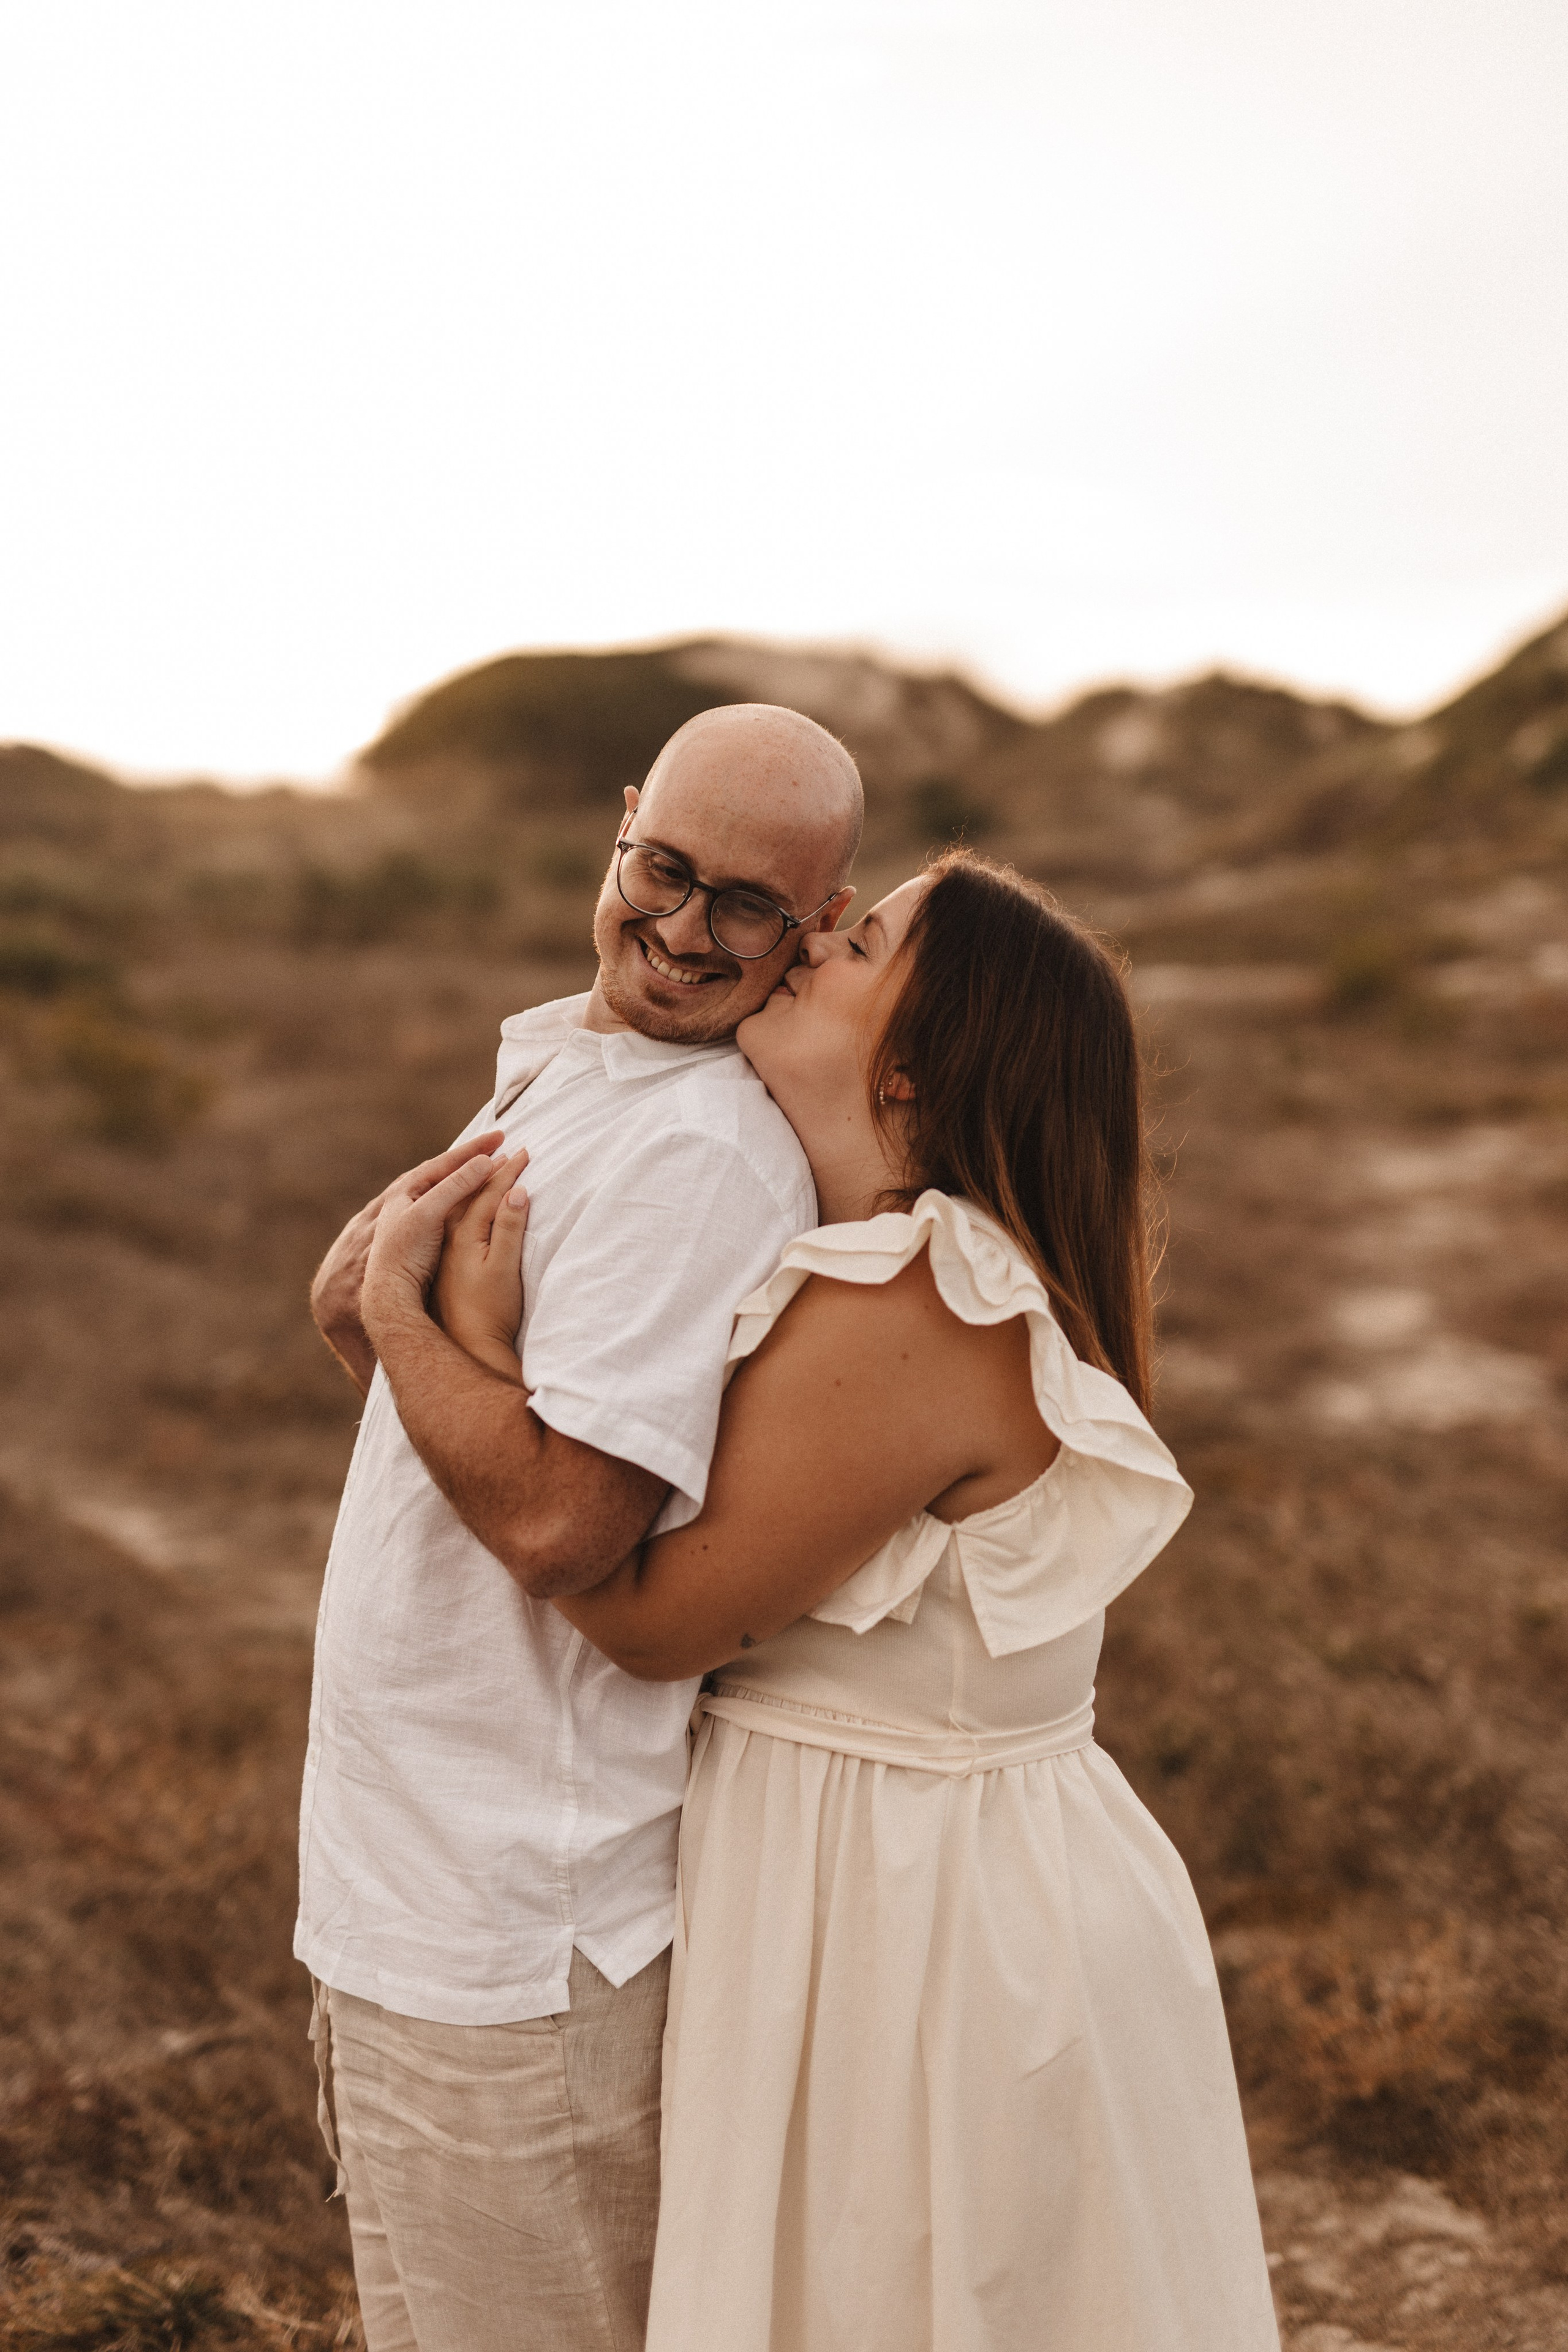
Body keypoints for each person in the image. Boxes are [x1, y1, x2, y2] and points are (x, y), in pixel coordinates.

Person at [414, 850, 1282, 2351]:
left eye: (859, 939)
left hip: (927, 1920)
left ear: (914, 1072)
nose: (811, 942)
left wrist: (446, 1339)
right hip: (888, 1874)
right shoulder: (858, 1268)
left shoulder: (916, 1301)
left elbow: (647, 1618)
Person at [295, 703, 862, 2352]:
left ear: (818, 926)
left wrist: (397, 1320)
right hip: (416, 1883)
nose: (686, 931)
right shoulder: (578, 1067)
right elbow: (460, 1425)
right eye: (666, 869)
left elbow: (561, 1521)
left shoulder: (695, 1153)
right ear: (621, 827)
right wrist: (371, 1323)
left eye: (749, 905)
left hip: (512, 1926)